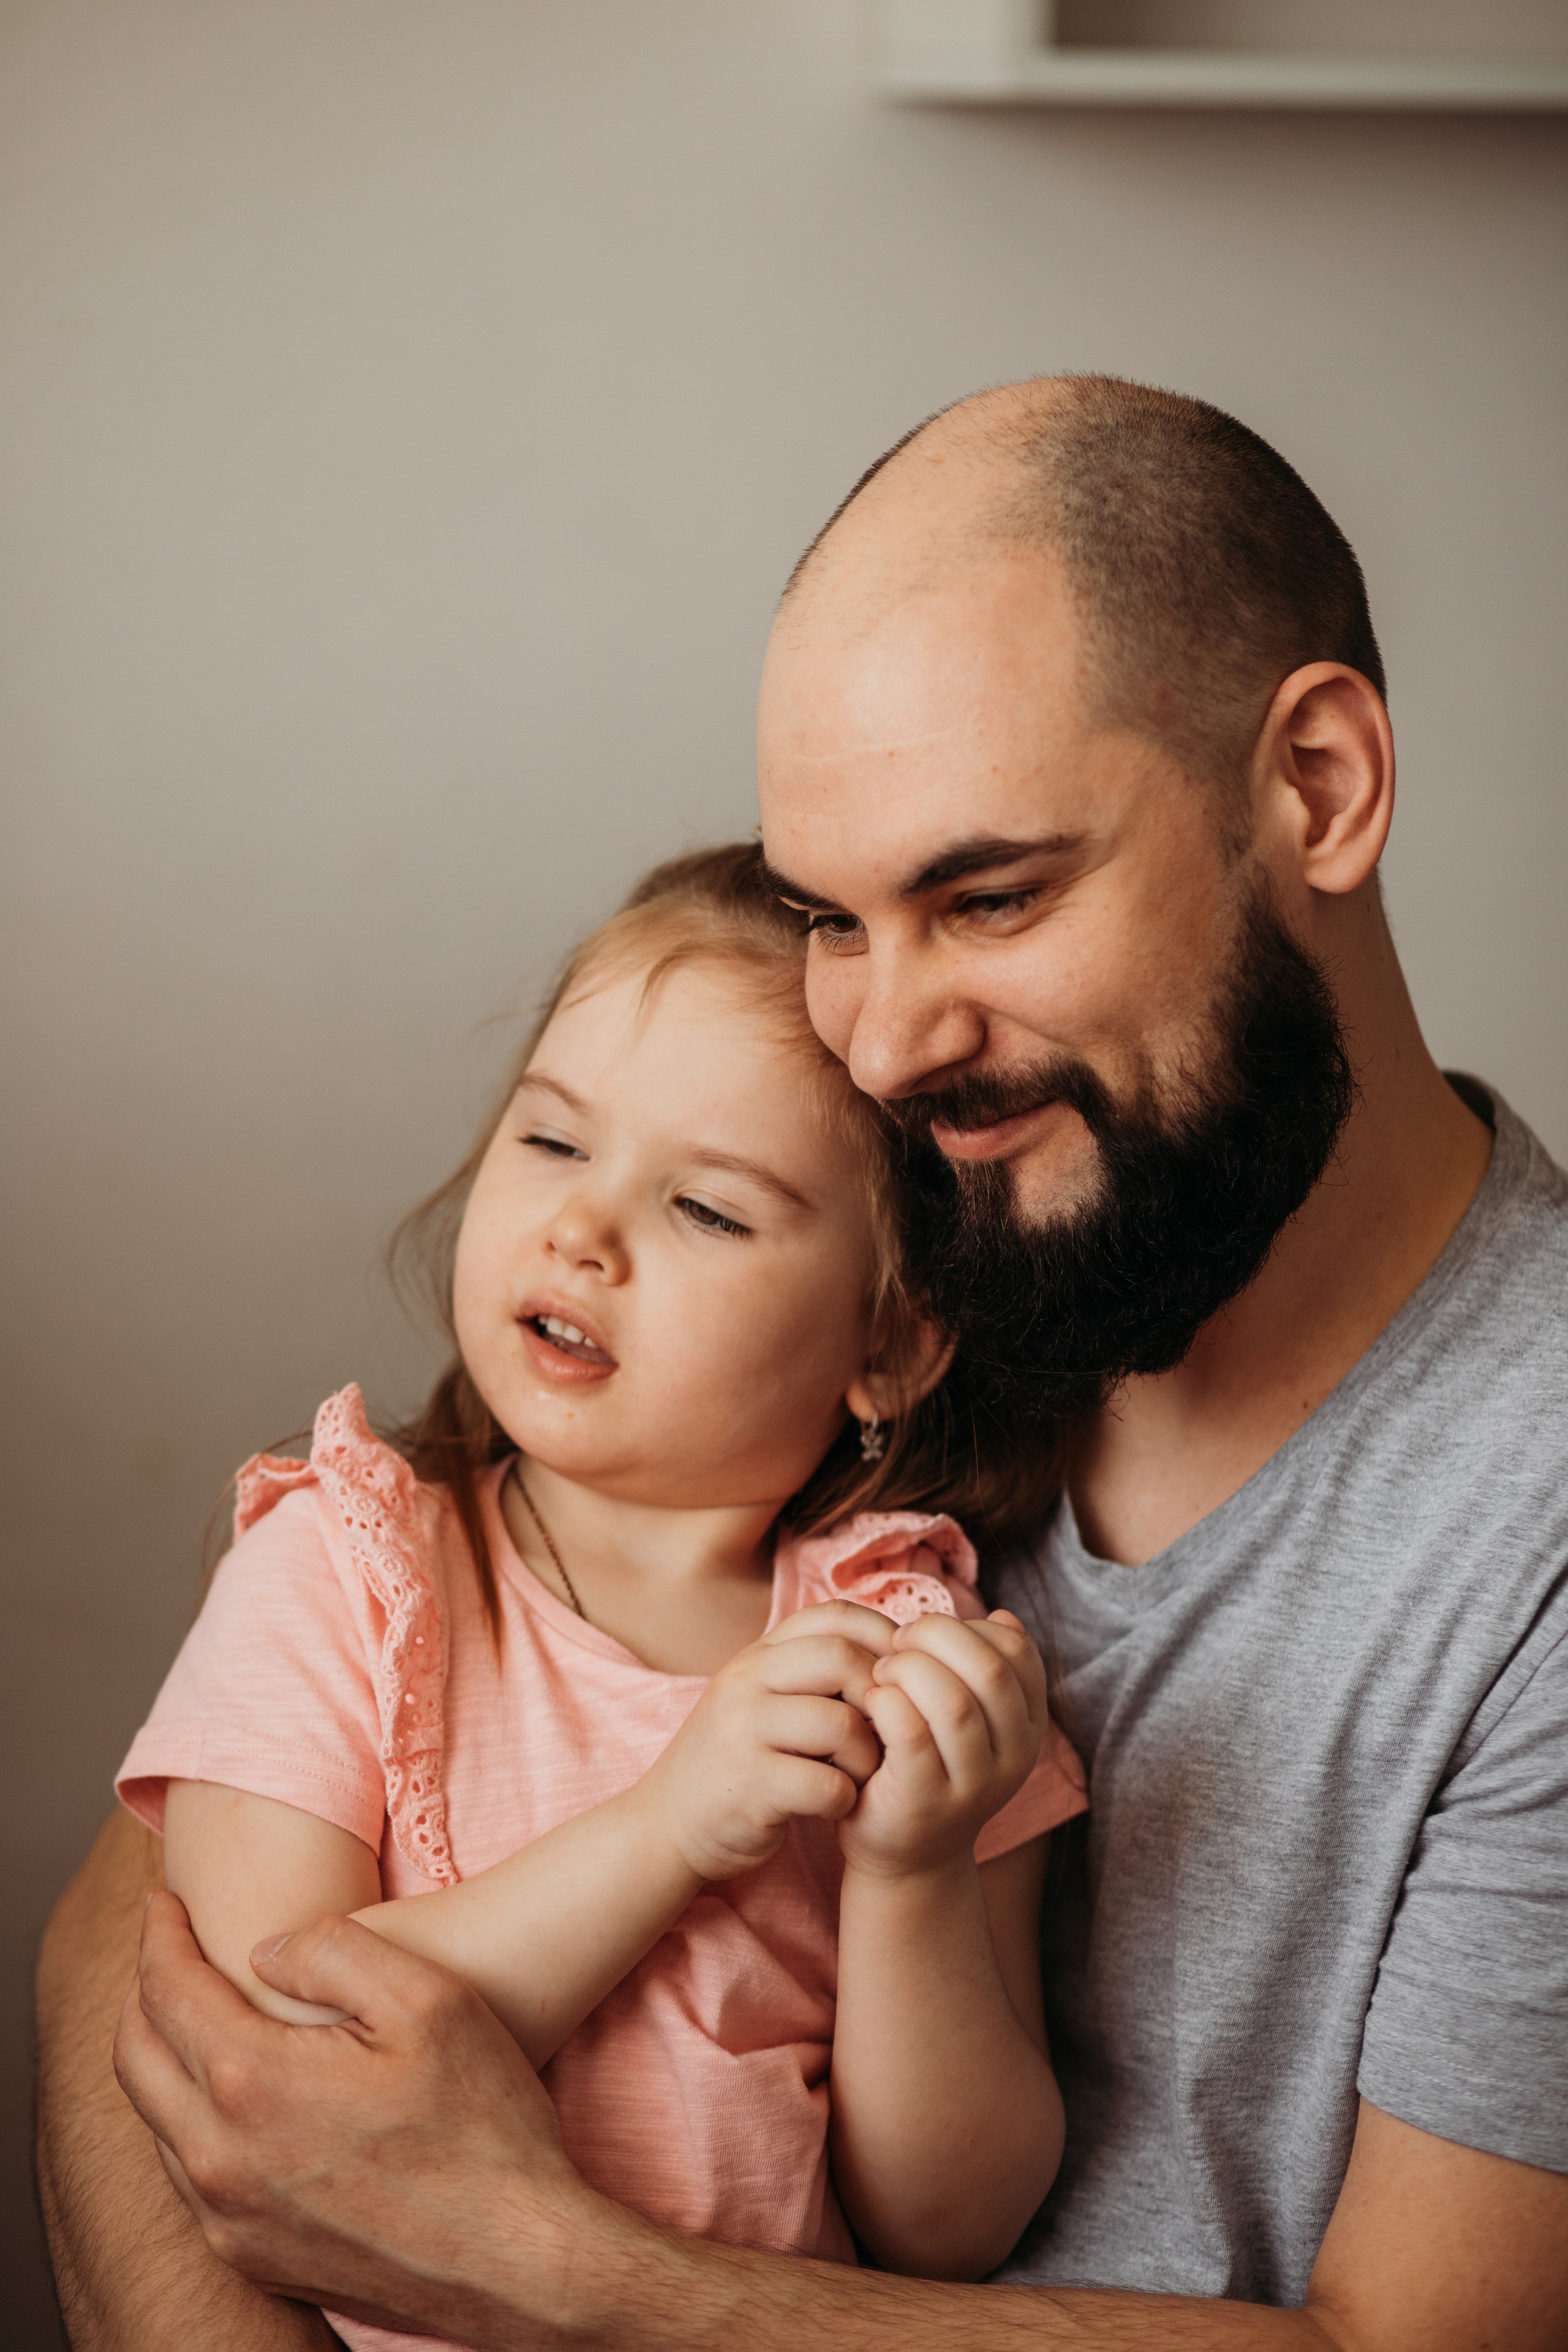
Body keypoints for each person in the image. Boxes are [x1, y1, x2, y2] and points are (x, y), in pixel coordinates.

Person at [39, 376, 1568, 2349]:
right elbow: (141, 1940)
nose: (885, 1040)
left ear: (1322, 789)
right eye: (833, 917)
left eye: (992, 896)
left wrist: (545, 2268)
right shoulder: (861, 1255)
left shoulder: (1521, 1513)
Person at [108, 845, 1086, 2351]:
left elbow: (950, 2231)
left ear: (889, 1344)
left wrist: (909, 1876)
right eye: (554, 1143)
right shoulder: (339, 1573)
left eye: (705, 1210)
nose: (583, 1230)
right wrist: (664, 1828)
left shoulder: (912, 1658)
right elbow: (269, 2066)